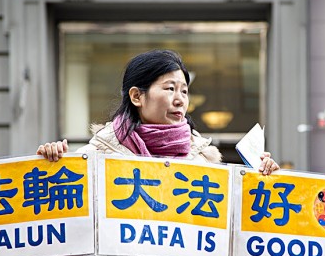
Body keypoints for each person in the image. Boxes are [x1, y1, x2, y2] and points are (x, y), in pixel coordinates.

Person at [37, 49, 279, 175]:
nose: (180, 100)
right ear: (136, 96)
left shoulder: (204, 160)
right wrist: (51, 165)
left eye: (184, 91)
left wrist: (263, 182)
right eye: (170, 88)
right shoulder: (96, 155)